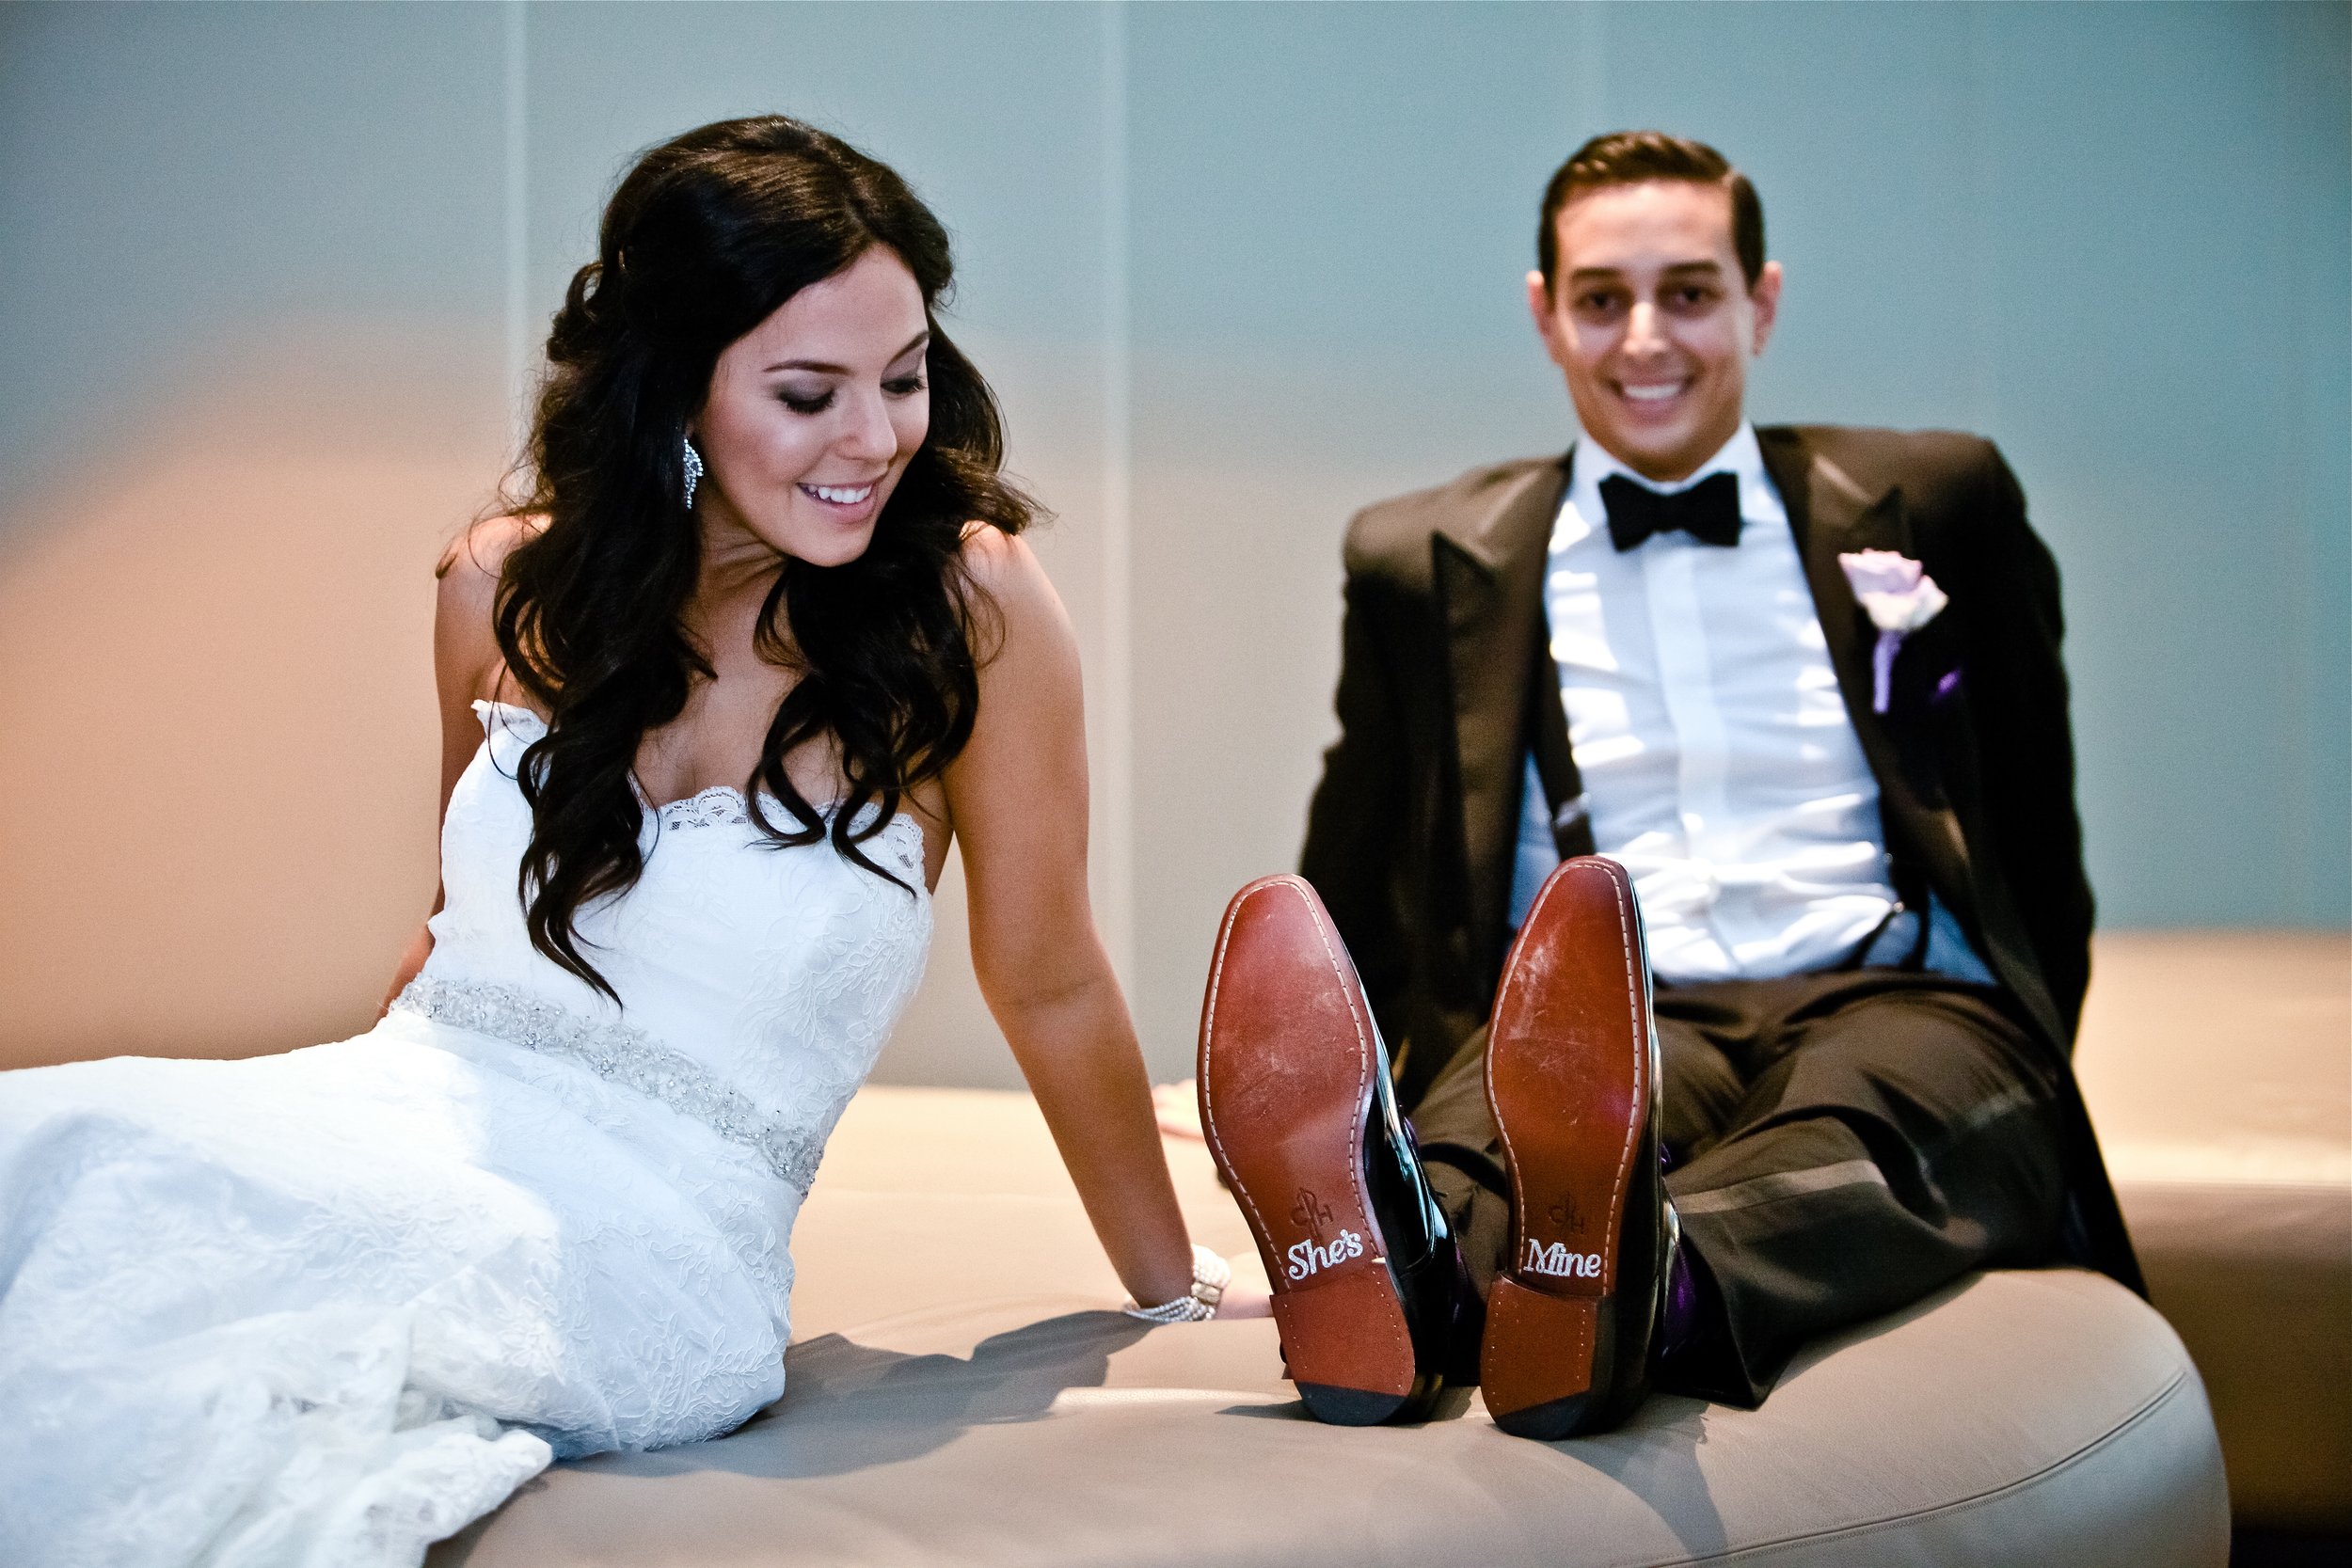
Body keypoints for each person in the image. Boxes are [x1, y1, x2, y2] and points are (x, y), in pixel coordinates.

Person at [0, 116, 1243, 1568]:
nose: (875, 440)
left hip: (651, 1248)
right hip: (422, 1115)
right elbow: (460, 930)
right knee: (56, 1140)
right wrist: (313, 1135)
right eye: (807, 392)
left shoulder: (968, 608)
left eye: (904, 379)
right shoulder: (503, 585)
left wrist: (1175, 1290)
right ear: (675, 390)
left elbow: (1048, 975)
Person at [1196, 130, 2142, 1436]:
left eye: (1688, 293)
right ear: (1546, 317)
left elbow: (2038, 828)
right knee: (1482, 1139)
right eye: (1601, 300)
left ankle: (1643, 1278)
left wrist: (2028, 1030)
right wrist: (1334, 1061)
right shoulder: (1420, 556)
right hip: (1598, 1014)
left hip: (1888, 984)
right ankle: (1404, 1243)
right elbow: (1358, 847)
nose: (1645, 338)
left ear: (1760, 302)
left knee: (1869, 1133)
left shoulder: (1937, 501)